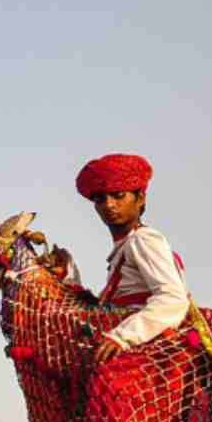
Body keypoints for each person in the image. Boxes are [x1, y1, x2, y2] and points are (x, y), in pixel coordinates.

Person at [75, 154, 190, 363]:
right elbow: (106, 306)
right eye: (101, 199)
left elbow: (173, 299)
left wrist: (123, 337)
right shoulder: (125, 245)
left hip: (149, 356)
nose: (109, 205)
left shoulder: (143, 239)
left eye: (118, 196)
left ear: (140, 198)